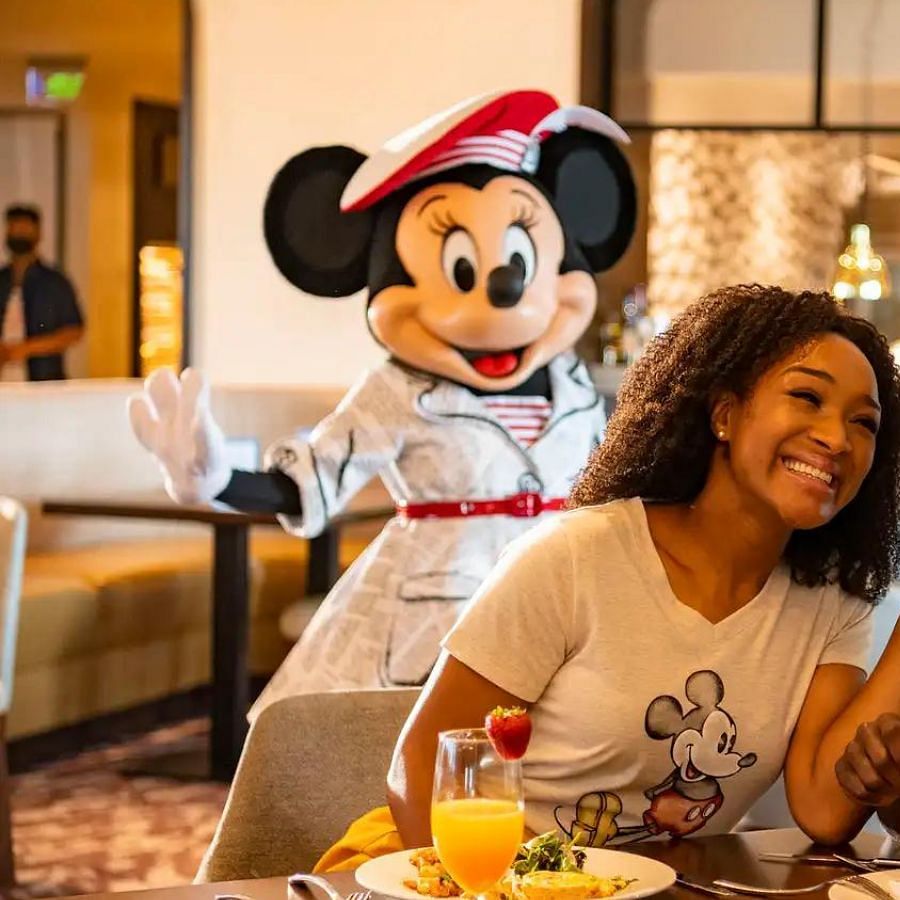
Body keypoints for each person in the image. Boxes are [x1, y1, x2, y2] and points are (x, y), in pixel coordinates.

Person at [127, 90, 636, 709]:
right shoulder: (394, 392)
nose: (502, 294)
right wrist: (215, 481)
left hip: (563, 613)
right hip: (434, 617)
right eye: (460, 268)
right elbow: (312, 480)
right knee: (425, 762)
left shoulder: (578, 390)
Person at [380, 283, 900, 855]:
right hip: (467, 876)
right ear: (725, 414)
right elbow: (423, 766)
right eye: (807, 397)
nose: (836, 438)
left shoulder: (831, 602)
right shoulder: (576, 557)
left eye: (864, 424)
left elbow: (824, 810)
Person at [0, 204, 84, 381]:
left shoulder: (54, 282)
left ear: (37, 233)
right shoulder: (2, 279)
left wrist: (27, 348)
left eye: (24, 229)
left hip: (43, 381)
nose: (18, 234)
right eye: (13, 228)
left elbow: (74, 330)